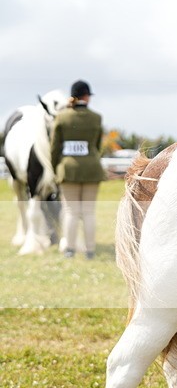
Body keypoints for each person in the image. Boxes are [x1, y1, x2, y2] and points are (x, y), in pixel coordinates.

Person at [51, 79, 105, 260]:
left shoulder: (61, 117)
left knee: (71, 211)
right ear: (87, 97)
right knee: (88, 212)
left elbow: (54, 148)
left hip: (68, 170)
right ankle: (90, 251)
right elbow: (97, 147)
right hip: (91, 169)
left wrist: (55, 168)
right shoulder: (96, 118)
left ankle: (70, 250)